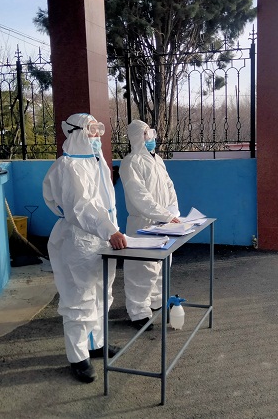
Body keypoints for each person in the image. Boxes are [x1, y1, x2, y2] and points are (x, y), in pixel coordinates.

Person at [42, 113, 127, 383]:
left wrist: (110, 230)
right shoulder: (67, 167)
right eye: (91, 130)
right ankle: (78, 357)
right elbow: (80, 207)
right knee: (79, 299)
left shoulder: (95, 162)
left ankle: (96, 343)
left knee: (102, 294)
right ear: (76, 132)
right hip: (78, 241)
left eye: (98, 129)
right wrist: (109, 230)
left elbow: (105, 204)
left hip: (101, 238)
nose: (97, 135)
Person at [120, 120, 180, 330]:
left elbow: (169, 186)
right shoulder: (131, 162)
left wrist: (172, 212)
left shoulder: (157, 160)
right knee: (142, 269)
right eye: (147, 134)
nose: (152, 137)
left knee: (161, 265)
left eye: (151, 133)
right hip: (143, 223)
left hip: (163, 222)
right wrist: (165, 215)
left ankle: (156, 300)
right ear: (137, 137)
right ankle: (138, 312)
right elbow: (140, 196)